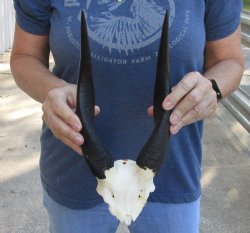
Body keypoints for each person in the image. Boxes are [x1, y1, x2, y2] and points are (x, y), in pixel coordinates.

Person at [11, 1, 244, 232]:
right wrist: (51, 90)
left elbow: (230, 60)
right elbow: (24, 56)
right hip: (75, 170)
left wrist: (212, 88)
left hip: (173, 171)